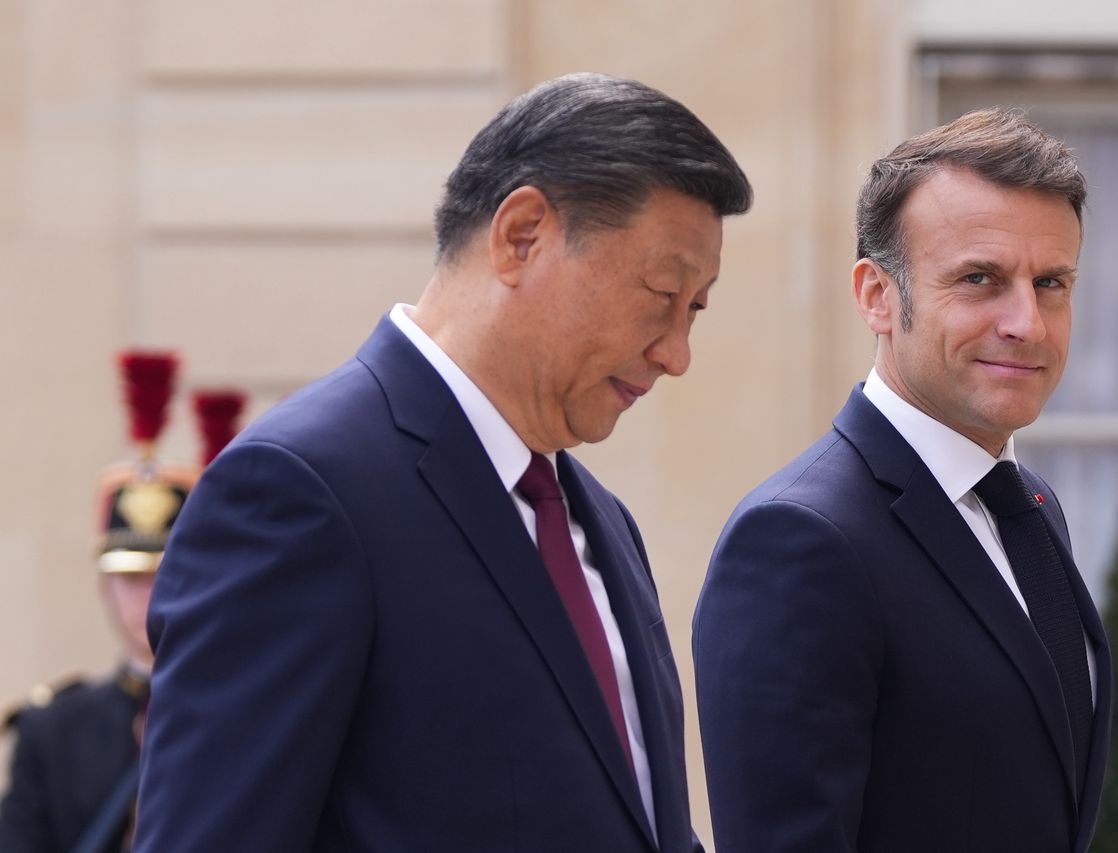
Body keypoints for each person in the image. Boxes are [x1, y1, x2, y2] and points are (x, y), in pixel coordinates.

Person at [135, 72, 752, 853]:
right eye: (661, 294)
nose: (677, 352)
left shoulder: (603, 523)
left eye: (695, 309)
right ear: (521, 234)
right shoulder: (300, 492)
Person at [693, 108, 1112, 852]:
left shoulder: (1031, 508)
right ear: (876, 296)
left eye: (1051, 283)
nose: (1029, 323)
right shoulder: (798, 540)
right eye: (980, 279)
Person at [0, 356, 245, 852]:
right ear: (103, 587)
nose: (149, 594)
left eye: (165, 572)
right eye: (131, 577)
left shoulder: (245, 712)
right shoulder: (54, 729)